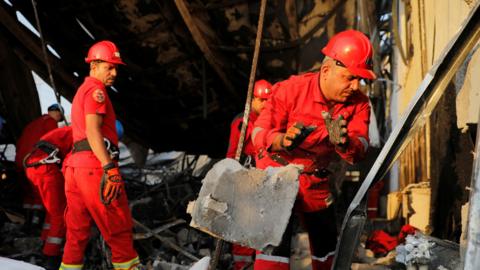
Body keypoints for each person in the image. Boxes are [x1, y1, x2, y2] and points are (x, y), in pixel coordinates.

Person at [251, 29, 376, 270]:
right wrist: (282, 140)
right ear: (326, 71)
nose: (355, 86)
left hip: (315, 181)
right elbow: (258, 133)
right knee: (272, 250)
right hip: (276, 175)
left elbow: (360, 147)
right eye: (349, 77)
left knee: (327, 249)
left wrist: (344, 142)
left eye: (359, 79)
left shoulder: (359, 104)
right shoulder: (290, 90)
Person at [60, 40, 142, 270]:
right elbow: (93, 131)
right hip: (93, 167)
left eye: (116, 68)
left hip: (76, 168)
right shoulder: (96, 91)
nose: (114, 73)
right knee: (118, 228)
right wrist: (109, 167)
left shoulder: (82, 90)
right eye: (109, 67)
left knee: (76, 232)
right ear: (94, 65)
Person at [226, 80, 273, 270]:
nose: (264, 105)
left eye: (267, 101)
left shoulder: (270, 120)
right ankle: (243, 266)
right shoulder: (241, 123)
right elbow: (232, 154)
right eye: (261, 101)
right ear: (252, 100)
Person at [23, 126, 72, 269]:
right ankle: (52, 256)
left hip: (34, 167)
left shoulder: (66, 130)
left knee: (51, 210)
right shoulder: (82, 131)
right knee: (60, 213)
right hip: (47, 169)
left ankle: (45, 241)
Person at [15, 104, 64, 226]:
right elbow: (54, 142)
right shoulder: (50, 122)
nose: (59, 121)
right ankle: (37, 223)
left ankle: (27, 221)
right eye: (60, 118)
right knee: (40, 195)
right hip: (36, 163)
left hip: (21, 162)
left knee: (29, 194)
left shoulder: (31, 124)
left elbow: (20, 143)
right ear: (58, 114)